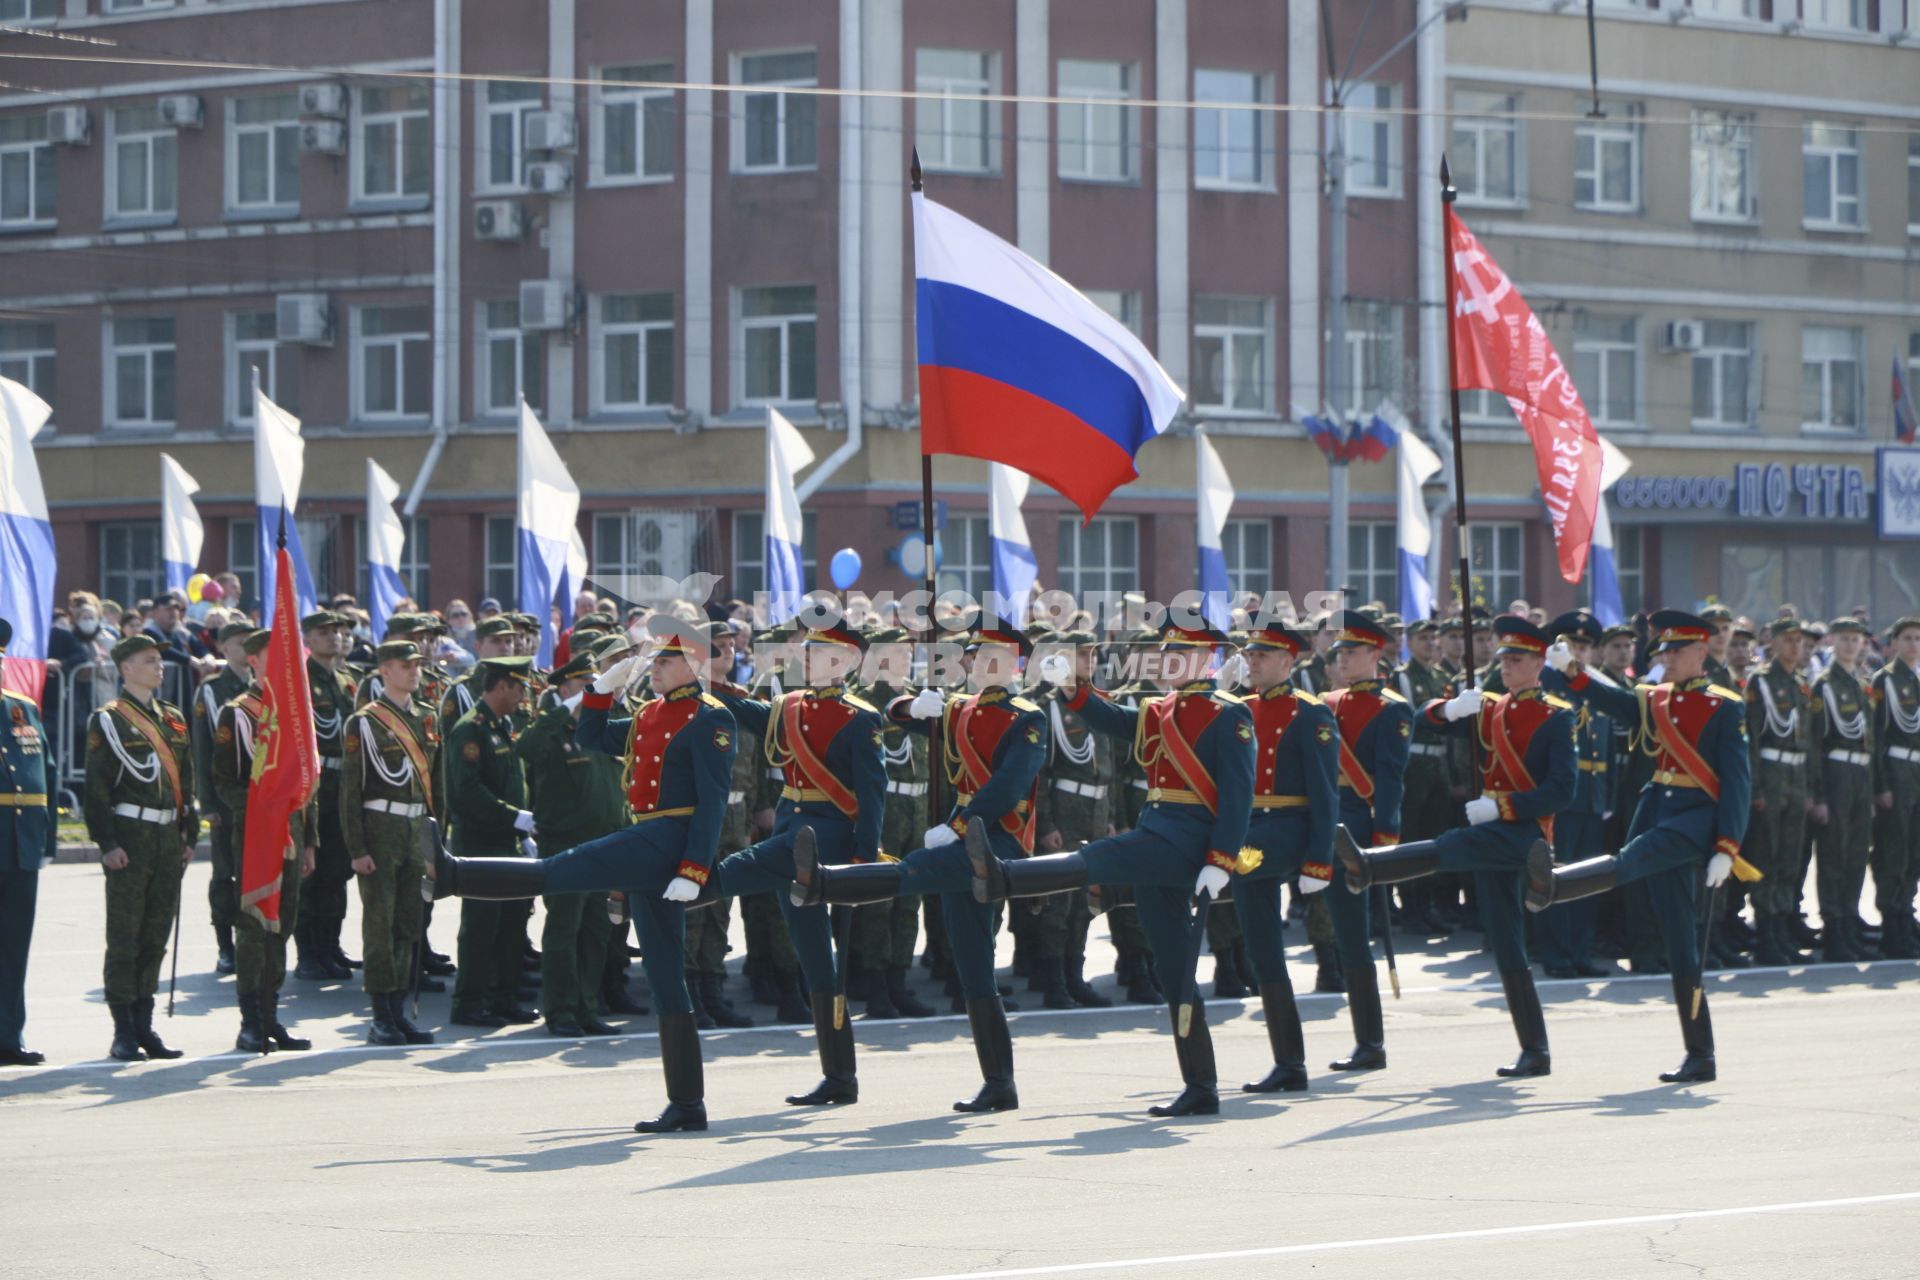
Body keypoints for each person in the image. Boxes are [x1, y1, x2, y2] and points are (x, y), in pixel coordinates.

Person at [427, 621, 736, 1134]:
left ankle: (454, 874)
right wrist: (600, 688)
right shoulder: (651, 714)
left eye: (664, 660)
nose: (653, 667)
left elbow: (712, 802)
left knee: (558, 871)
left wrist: (694, 868)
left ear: (693, 665)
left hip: (664, 843)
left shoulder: (710, 719)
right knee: (665, 981)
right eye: (653, 660)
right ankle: (688, 1102)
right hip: (647, 837)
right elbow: (592, 736)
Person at [967, 618, 1255, 1118]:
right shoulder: (1160, 709)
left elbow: (1238, 794)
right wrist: (1070, 688)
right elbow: (1113, 719)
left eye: (1179, 655)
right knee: (1175, 971)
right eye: (1165, 654)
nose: (1167, 662)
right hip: (1158, 830)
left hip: (1183, 841)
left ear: (1206, 660)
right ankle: (1202, 1085)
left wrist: (1222, 858)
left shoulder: (1228, 715)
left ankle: (1005, 877)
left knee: (1097, 857)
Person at [792, 621, 1048, 1113]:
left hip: (998, 842)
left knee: (912, 871)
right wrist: (910, 706)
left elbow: (1007, 789)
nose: (978, 665)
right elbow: (895, 715)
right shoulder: (959, 709)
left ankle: (829, 882)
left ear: (1014, 664)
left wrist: (957, 827)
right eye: (973, 656)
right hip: (960, 840)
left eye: (991, 657)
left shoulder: (1027, 717)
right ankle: (1000, 1083)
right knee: (974, 967)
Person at [1340, 616, 1574, 1078]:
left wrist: (1502, 807)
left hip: (1522, 835)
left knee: (1448, 846)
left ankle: (1370, 867)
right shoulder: (1490, 707)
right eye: (1503, 658)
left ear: (1539, 663)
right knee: (1507, 943)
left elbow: (1562, 791)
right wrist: (1449, 711)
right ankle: (1536, 1051)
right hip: (1494, 838)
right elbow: (1423, 719)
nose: (1506, 667)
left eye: (1517, 660)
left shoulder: (1557, 716)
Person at [1530, 610, 1752, 1084]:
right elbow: (1613, 701)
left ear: (1700, 652)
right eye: (1663, 651)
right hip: (1657, 809)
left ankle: (1553, 885)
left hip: (1693, 822)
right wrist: (1574, 670)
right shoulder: (1656, 698)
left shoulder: (1725, 706)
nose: (1666, 659)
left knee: (1629, 863)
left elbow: (1737, 783)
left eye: (1676, 651)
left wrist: (1727, 847)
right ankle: (1701, 1054)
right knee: (1680, 945)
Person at [1222, 620, 1338, 1093]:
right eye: (1250, 655)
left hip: (1287, 830)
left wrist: (1318, 860)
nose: (1252, 662)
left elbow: (1326, 795)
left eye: (1262, 656)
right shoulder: (1241, 709)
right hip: (1250, 830)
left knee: (1233, 864)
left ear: (1288, 662)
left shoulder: (1309, 714)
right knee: (1263, 947)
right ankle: (1289, 1062)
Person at [83, 634, 199, 1062]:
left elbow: (186, 781)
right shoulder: (109, 720)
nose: (159, 667)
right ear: (126, 668)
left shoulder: (173, 718)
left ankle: (145, 1023)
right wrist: (106, 842)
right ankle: (123, 1029)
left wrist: (189, 833)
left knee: (155, 935)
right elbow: (96, 789)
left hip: (168, 838)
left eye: (160, 661)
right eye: (149, 661)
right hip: (131, 836)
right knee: (125, 936)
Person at [211, 629, 317, 1054]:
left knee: (283, 925)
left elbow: (307, 784)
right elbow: (225, 781)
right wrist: (262, 813)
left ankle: (271, 1014)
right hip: (256, 835)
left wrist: (309, 840)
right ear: (253, 660)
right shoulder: (238, 713)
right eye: (276, 655)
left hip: (291, 834)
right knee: (255, 925)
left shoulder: (296, 712)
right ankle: (250, 1021)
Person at [1316, 610, 1413, 1074]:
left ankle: (1369, 1041)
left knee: (1353, 936)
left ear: (1376, 655)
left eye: (1352, 653)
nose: (1343, 660)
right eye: (1340, 653)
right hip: (1318, 819)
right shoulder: (1325, 702)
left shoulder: (1391, 707)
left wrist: (1384, 845)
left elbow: (1391, 782)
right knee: (1336, 929)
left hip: (1356, 823)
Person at [513, 650, 625, 1037]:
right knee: (563, 930)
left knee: (596, 931)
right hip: (565, 845)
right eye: (582, 685)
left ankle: (587, 1007)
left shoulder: (602, 729)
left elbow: (617, 791)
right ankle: (560, 1011)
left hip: (605, 845)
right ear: (564, 689)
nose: (591, 692)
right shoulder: (552, 730)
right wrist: (567, 707)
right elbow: (524, 748)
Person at [341, 640, 438, 1046]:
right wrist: (357, 848)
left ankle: (399, 1010)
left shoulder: (427, 718)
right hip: (380, 831)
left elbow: (437, 787)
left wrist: (437, 842)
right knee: (379, 926)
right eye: (405, 665)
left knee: (408, 925)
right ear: (385, 671)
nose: (414, 671)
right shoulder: (364, 722)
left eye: (417, 664)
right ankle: (381, 1014)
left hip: (417, 831)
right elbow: (349, 791)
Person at [444, 656, 539, 1027]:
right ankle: (469, 1002)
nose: (521, 697)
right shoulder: (471, 729)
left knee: (512, 924)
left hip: (510, 843)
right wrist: (512, 817)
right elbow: (466, 793)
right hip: (481, 845)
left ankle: (503, 998)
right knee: (482, 927)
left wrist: (521, 830)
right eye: (518, 689)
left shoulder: (503, 726)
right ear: (501, 687)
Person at [1742, 618, 1816, 967]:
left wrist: (1812, 788)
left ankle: (1782, 928)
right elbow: (1753, 740)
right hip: (1771, 773)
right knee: (1767, 854)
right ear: (1773, 643)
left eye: (1798, 641)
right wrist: (1755, 786)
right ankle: (1766, 933)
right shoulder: (1761, 681)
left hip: (1796, 774)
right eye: (1788, 640)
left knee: (1790, 856)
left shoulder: (1800, 684)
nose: (1794, 646)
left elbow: (1809, 741)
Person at [0, 618, 55, 1065]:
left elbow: (46, 774)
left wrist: (46, 840)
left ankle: (7, 1037)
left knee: (14, 945)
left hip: (20, 845)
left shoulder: (22, 708)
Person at [298, 610, 361, 982]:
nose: (335, 637)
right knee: (312, 874)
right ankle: (308, 952)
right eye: (325, 632)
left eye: (339, 631)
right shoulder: (301, 680)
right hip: (315, 787)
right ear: (308, 638)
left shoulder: (348, 680)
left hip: (344, 786)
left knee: (337, 872)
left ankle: (330, 945)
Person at [1809, 618, 1875, 963]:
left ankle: (1849, 920)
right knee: (1834, 852)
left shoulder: (1862, 685)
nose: (1851, 645)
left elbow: (1871, 740)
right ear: (1834, 642)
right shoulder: (1824, 686)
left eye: (1856, 639)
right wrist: (1818, 795)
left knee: (1855, 854)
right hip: (1835, 772)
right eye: (1845, 639)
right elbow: (1815, 744)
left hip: (1861, 773)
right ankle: (1834, 925)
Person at [191, 622, 254, 976]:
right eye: (238, 643)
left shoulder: (265, 688)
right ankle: (225, 945)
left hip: (259, 799)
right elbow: (202, 749)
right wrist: (209, 804)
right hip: (226, 800)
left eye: (250, 644)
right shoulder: (213, 691)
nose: (245, 650)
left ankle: (250, 942)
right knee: (225, 875)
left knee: (256, 872)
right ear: (224, 648)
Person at [1871, 619, 1920, 961]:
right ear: (1893, 643)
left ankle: (1906, 912)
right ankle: (1892, 923)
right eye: (1907, 638)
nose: (1914, 644)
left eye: (1918, 638)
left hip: (1917, 768)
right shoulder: (1885, 680)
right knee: (1894, 848)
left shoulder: (1917, 680)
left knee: (1914, 849)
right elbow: (1876, 737)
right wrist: (1882, 784)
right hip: (1897, 768)